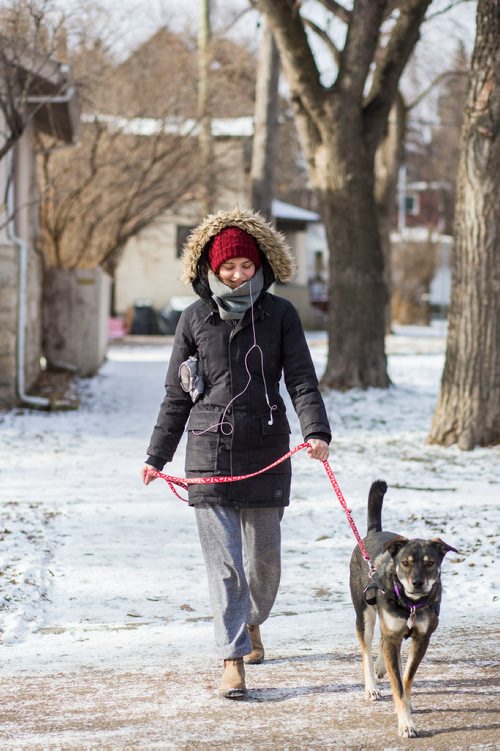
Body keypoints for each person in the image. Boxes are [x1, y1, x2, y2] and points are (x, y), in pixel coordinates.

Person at [141, 207, 331, 699]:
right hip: (209, 455)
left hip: (266, 448)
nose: (237, 275)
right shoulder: (193, 320)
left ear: (261, 265)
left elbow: (302, 380)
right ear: (210, 268)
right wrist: (156, 456)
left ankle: (252, 622)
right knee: (224, 566)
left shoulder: (281, 315)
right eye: (228, 267)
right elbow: (176, 395)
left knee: (263, 560)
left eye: (246, 266)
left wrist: (316, 431)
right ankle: (231, 659)